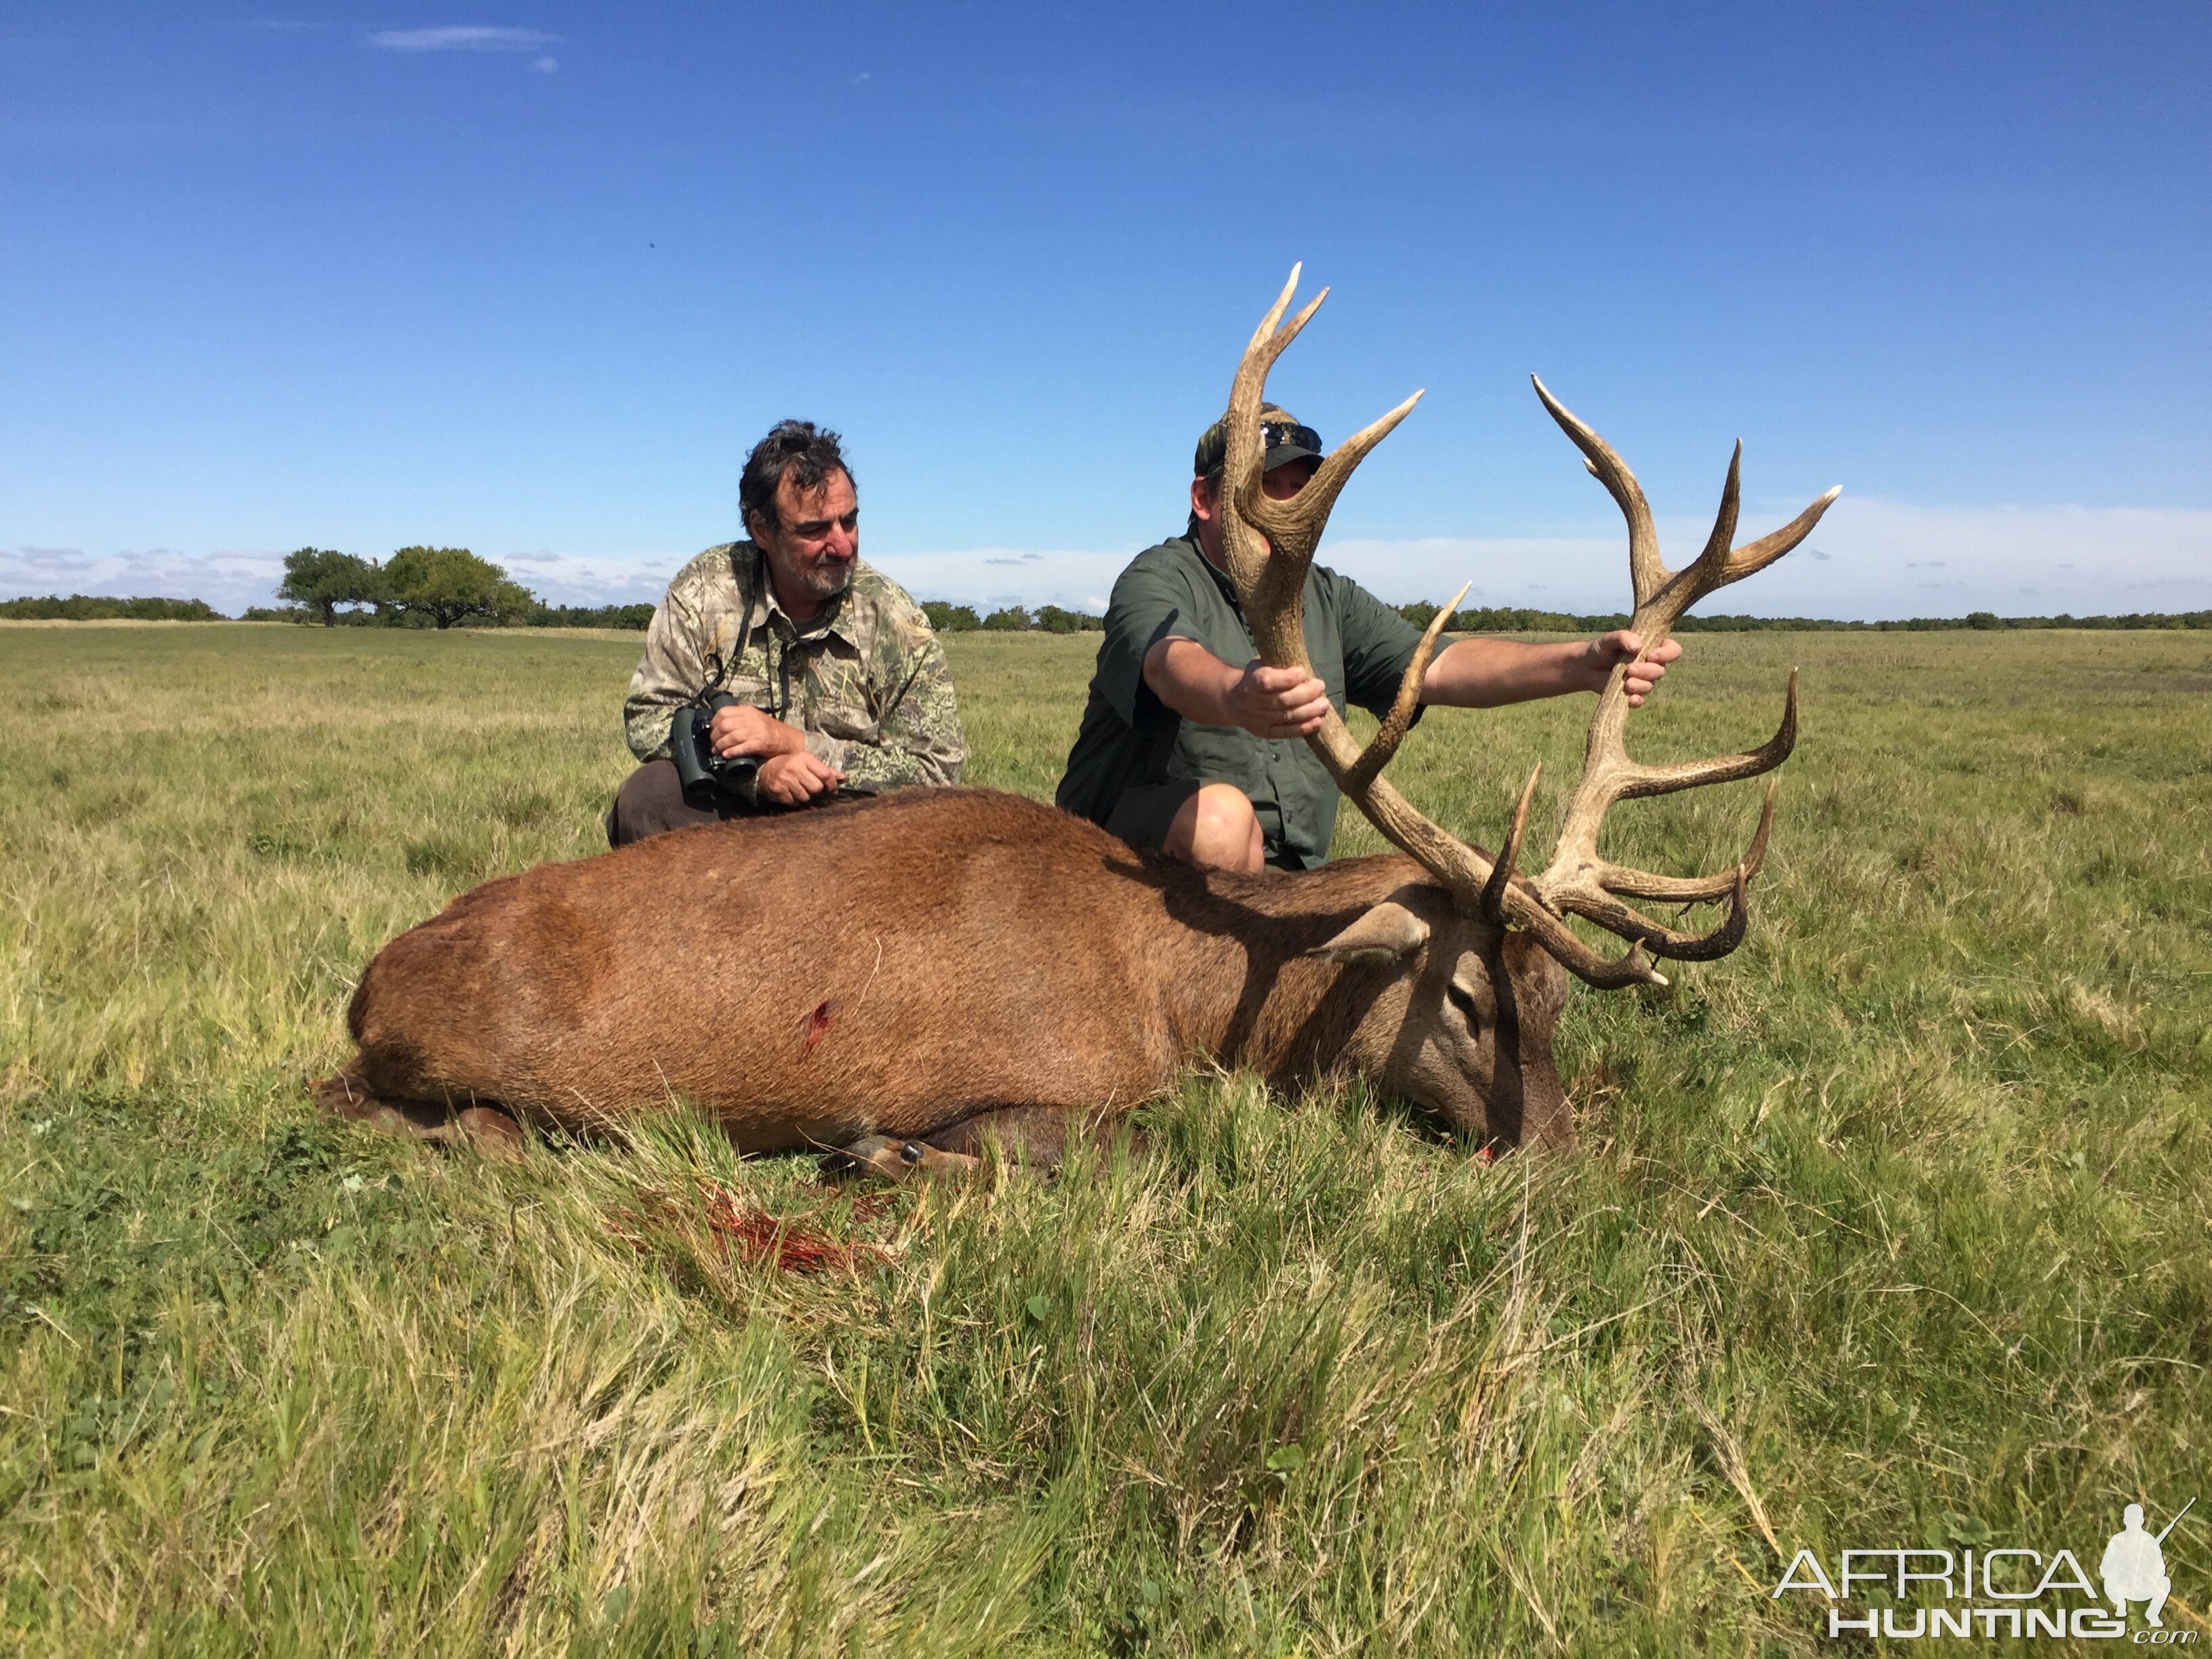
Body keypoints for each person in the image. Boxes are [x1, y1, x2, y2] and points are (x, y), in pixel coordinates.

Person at [1056, 406, 1682, 871]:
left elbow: (1437, 666)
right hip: (1114, 866)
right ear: (1204, 500)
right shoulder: (1157, 578)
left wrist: (1581, 664)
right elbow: (1169, 664)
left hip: (1282, 879)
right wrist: (1233, 695)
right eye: (1264, 490)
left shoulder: (1327, 597)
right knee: (1222, 824)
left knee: (1454, 881)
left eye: (1303, 493)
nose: (1289, 511)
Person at [609, 420, 964, 847]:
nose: (843, 546)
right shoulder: (706, 589)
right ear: (762, 530)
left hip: (855, 827)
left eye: (849, 521)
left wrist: (793, 744)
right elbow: (650, 718)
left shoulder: (894, 618)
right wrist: (757, 776)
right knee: (647, 798)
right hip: (736, 809)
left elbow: (939, 772)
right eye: (815, 529)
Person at [2101, 1504, 2171, 1627]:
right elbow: (2104, 1569)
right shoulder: (2117, 1541)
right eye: (2130, 1520)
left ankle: (2153, 1614)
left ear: (2142, 1521)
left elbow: (2161, 1568)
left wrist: (2148, 1573)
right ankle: (2120, 1606)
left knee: (2165, 1582)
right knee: (2110, 1581)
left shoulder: (2149, 1541)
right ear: (2125, 1521)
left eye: (2136, 1520)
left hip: (2143, 1586)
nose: (2133, 1524)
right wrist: (2121, 1567)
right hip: (2122, 1587)